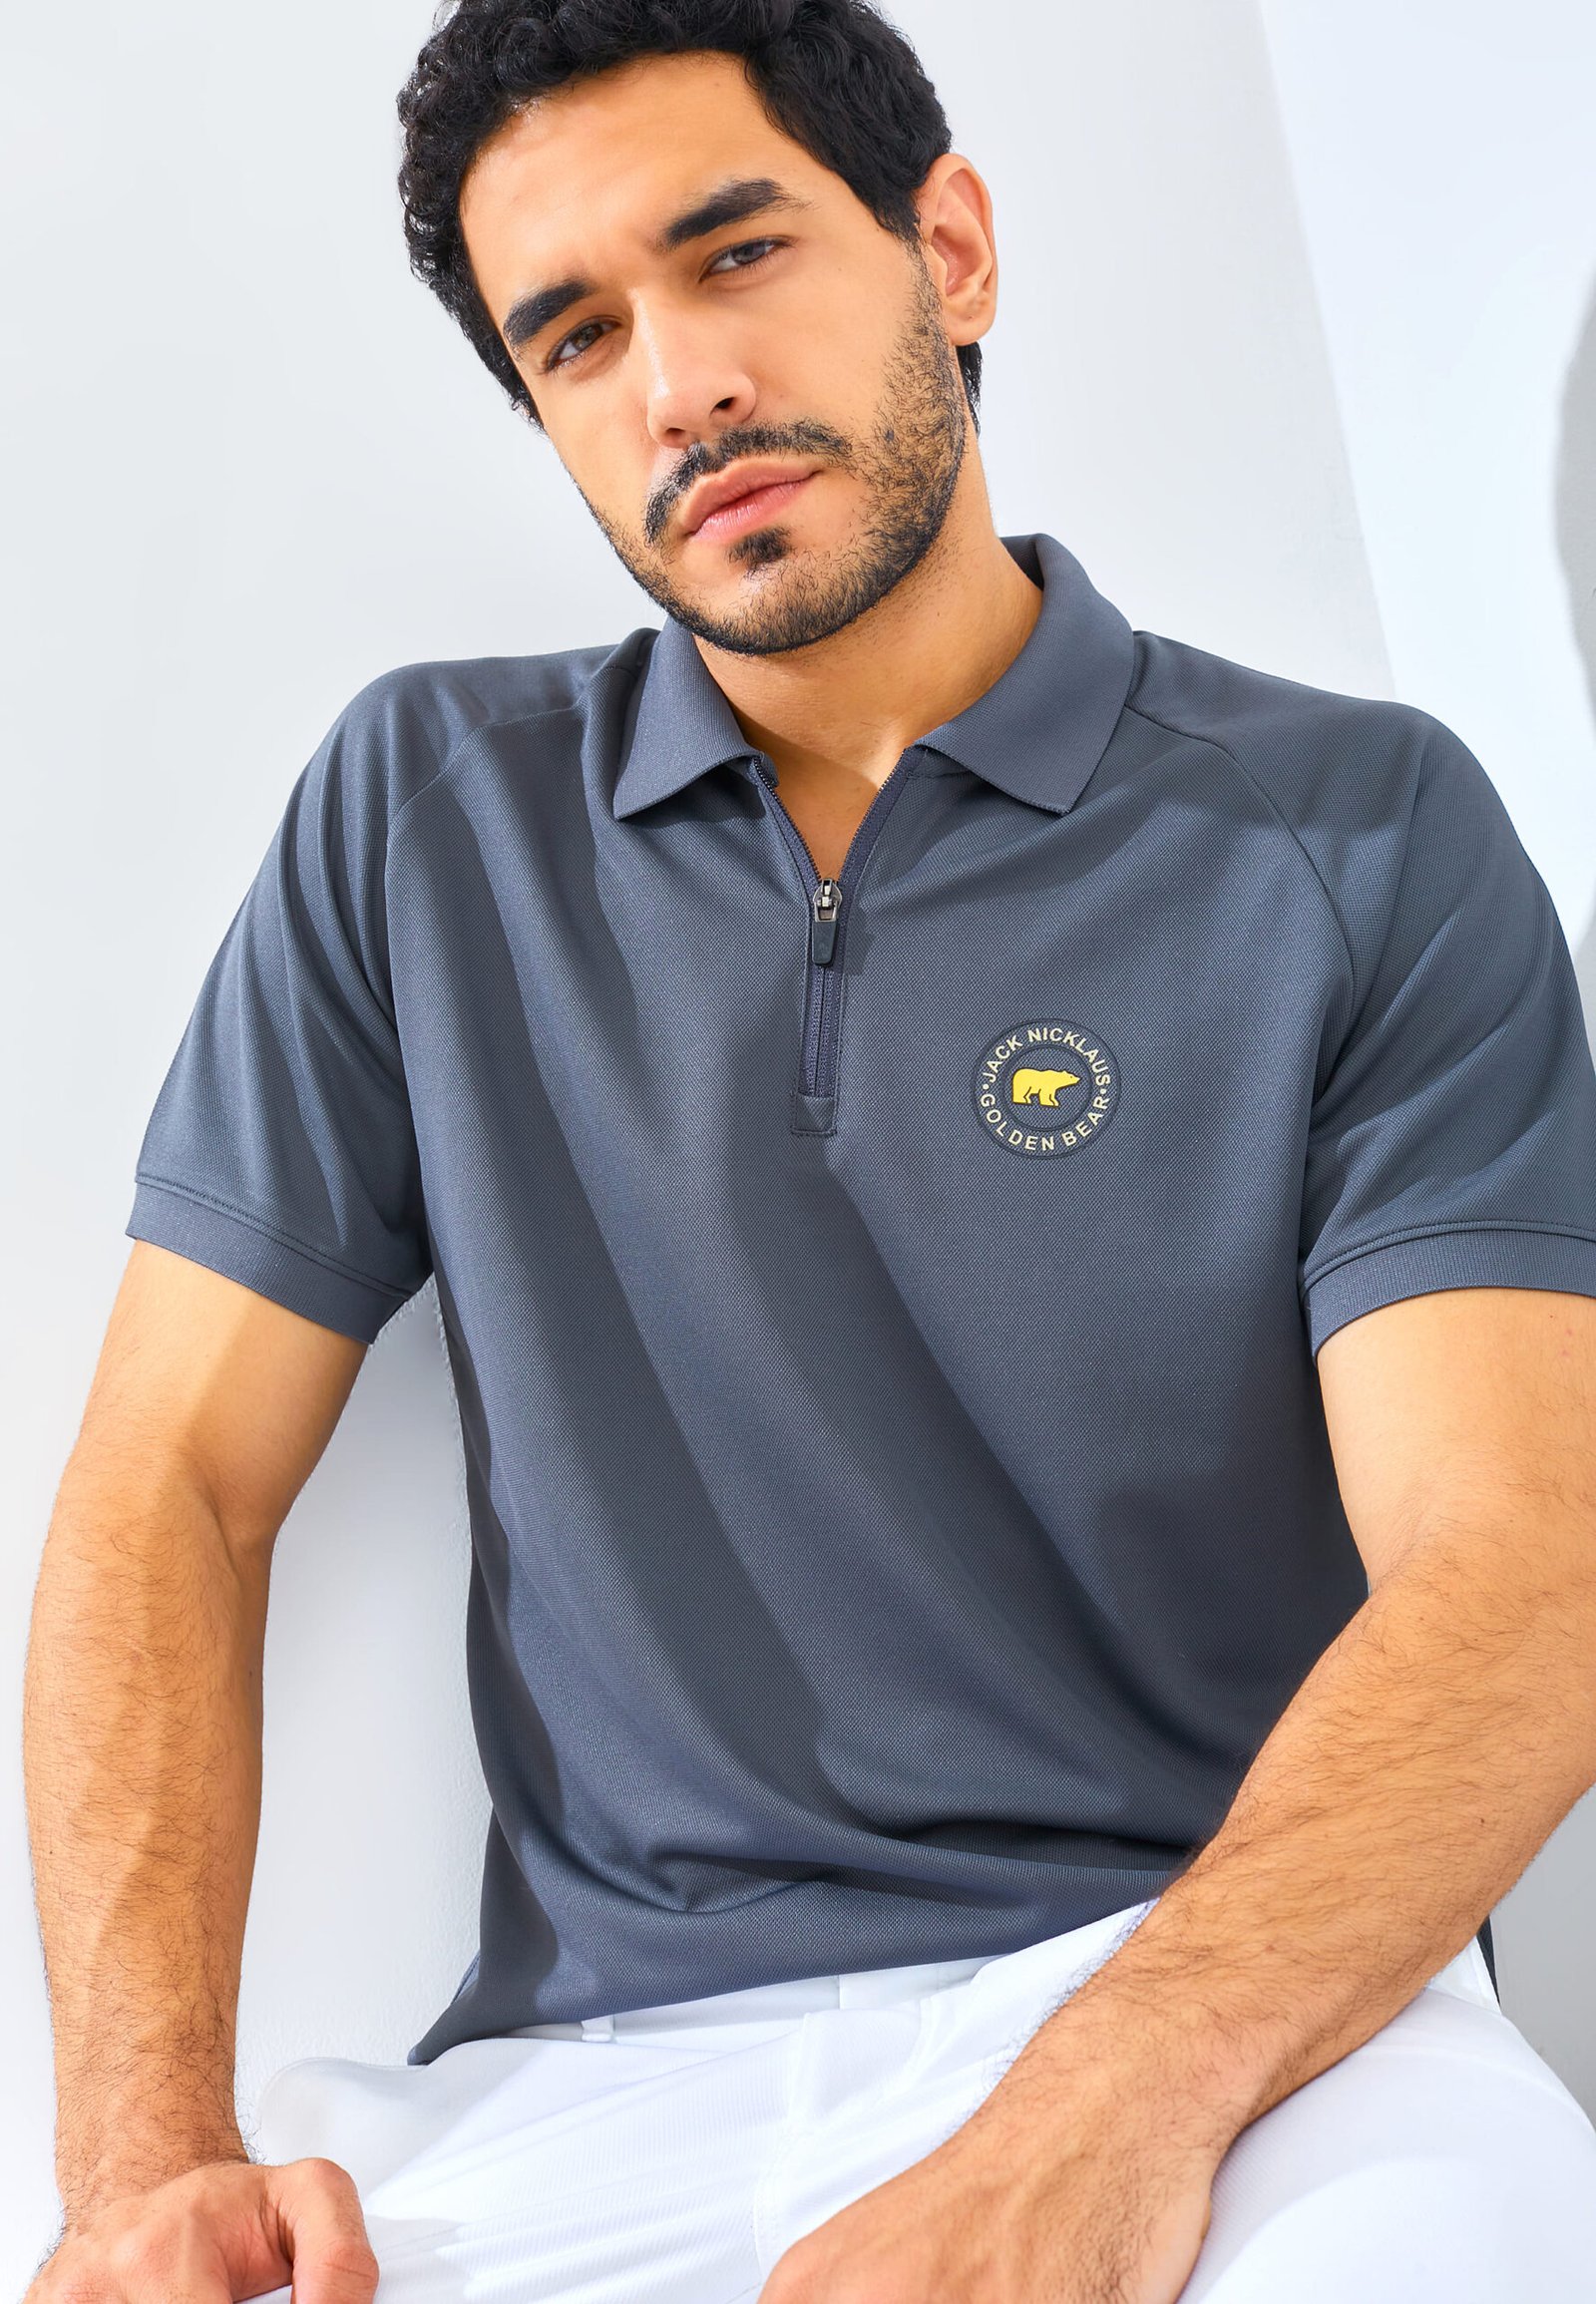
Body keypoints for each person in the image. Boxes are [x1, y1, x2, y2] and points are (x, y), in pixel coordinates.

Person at [23, 1, 1596, 2298]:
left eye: (734, 253)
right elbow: (167, 1481)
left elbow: (1520, 1565)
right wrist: (140, 2159)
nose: (675, 386)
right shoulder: (419, 821)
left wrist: (1103, 2115)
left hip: (1233, 2024)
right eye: (575, 337)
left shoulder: (1355, 829)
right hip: (583, 2084)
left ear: (946, 247)